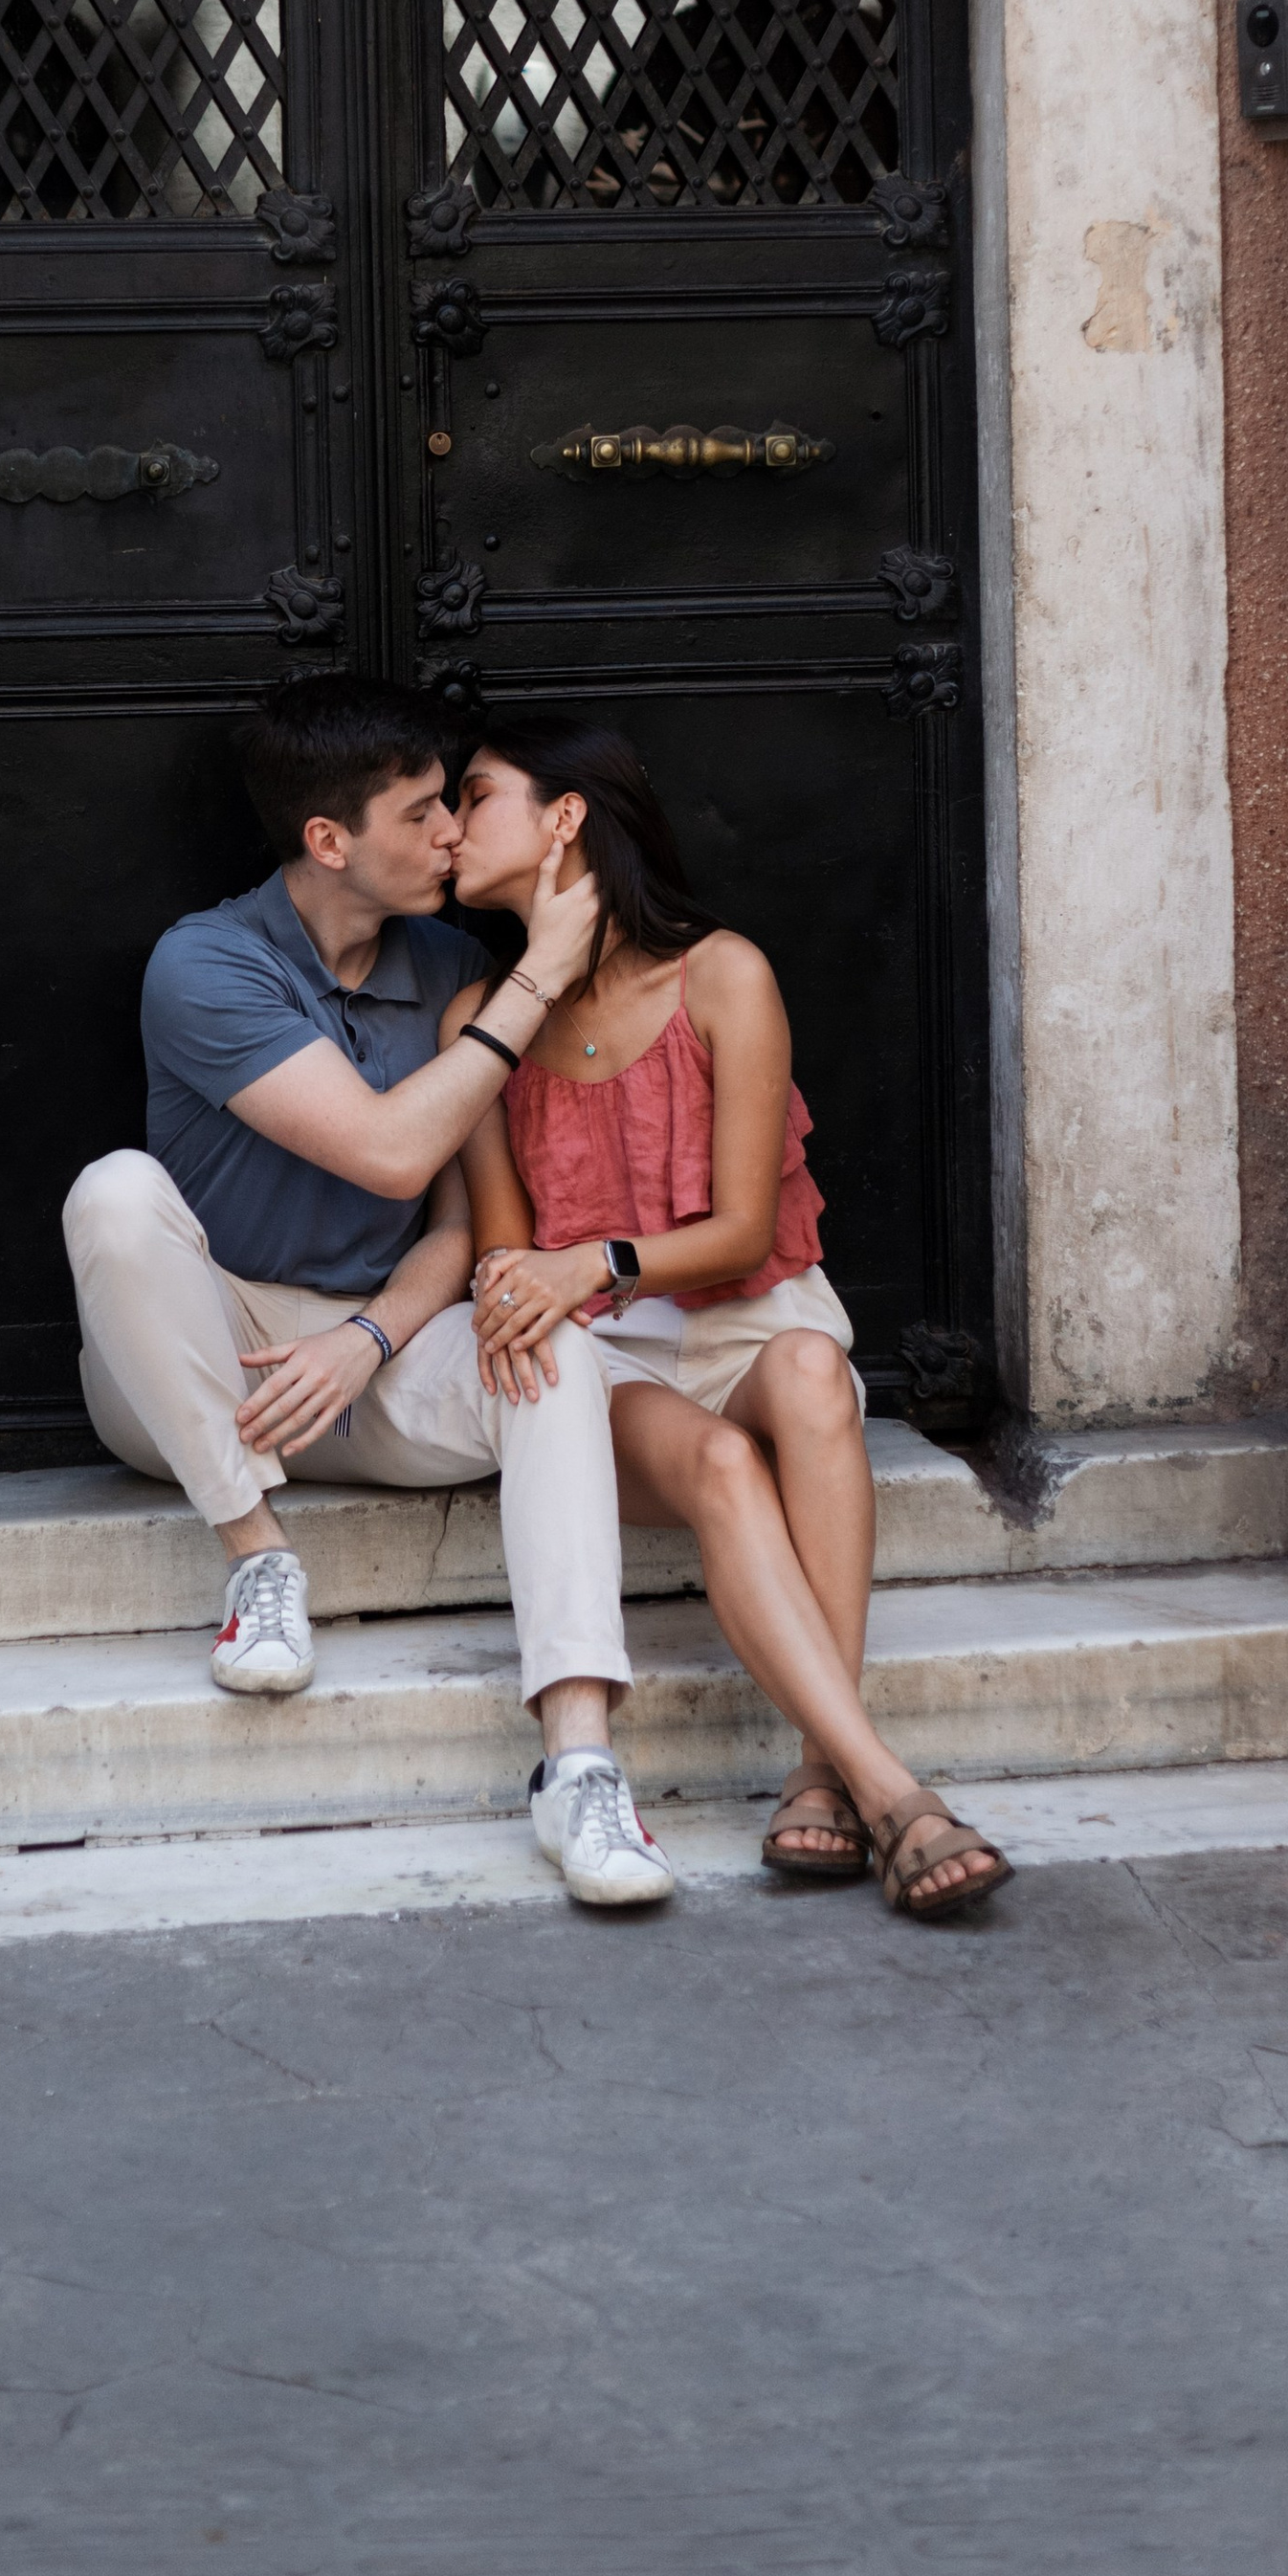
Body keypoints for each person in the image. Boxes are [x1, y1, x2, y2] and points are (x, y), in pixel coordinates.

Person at [62, 677, 675, 1909]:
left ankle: (579, 1761)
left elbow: (453, 1216)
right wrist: (539, 979)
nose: (453, 832)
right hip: (201, 1366)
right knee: (114, 1194)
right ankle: (257, 1561)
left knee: (552, 1351)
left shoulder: (447, 964)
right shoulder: (205, 963)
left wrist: (369, 1335)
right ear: (329, 840)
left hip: (377, 1356)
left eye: (455, 802)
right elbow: (390, 1151)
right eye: (422, 813)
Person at [441, 713, 1012, 1922]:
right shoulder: (479, 1020)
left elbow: (745, 1234)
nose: (447, 827)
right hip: (606, 1357)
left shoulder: (721, 974)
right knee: (714, 1461)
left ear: (563, 818)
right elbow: (505, 1252)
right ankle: (888, 1790)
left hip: (747, 1319)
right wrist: (525, 1282)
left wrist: (589, 1261)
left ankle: (819, 1767)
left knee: (809, 1373)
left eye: (474, 796)